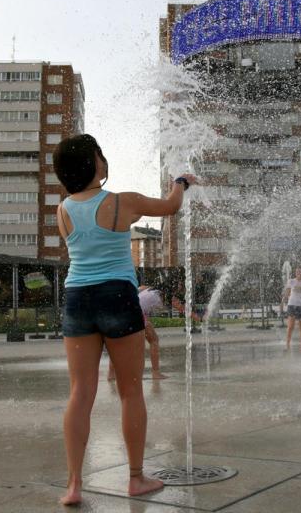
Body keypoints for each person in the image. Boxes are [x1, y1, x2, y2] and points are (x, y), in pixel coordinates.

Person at [53, 134, 195, 506]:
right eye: (100, 154)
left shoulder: (62, 209)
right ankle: (135, 478)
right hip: (117, 295)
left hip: (77, 298)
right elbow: (170, 207)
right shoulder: (122, 202)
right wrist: (180, 183)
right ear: (94, 163)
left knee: (80, 393)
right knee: (131, 390)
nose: (104, 159)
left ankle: (73, 485)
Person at [108, 286, 168, 381]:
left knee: (118, 344)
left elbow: (138, 291)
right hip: (135, 314)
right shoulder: (157, 297)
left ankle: (111, 374)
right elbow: (162, 308)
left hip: (120, 313)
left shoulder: (146, 289)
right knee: (154, 340)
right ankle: (155, 373)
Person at [281, 267, 301, 352]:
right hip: (292, 305)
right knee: (290, 326)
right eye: (297, 272)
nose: (298, 273)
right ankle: (287, 345)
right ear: (295, 273)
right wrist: (282, 302)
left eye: (300, 271)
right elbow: (287, 293)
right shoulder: (291, 281)